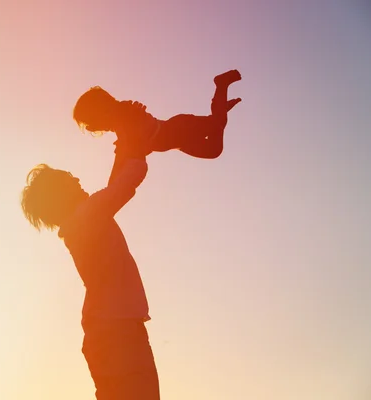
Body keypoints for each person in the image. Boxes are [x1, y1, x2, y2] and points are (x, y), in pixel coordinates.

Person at [20, 134, 159, 399]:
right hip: (118, 334)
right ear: (61, 194)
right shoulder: (90, 214)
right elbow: (129, 179)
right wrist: (140, 134)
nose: (77, 179)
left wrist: (124, 142)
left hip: (106, 334)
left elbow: (114, 185)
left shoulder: (81, 220)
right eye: (69, 179)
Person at [73, 69, 242, 160]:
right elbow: (135, 144)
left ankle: (221, 86)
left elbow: (131, 139)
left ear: (103, 111)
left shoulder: (124, 114)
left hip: (178, 127)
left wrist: (122, 149)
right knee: (214, 148)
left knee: (217, 125)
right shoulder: (121, 123)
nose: (94, 129)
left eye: (93, 124)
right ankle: (221, 107)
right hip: (179, 142)